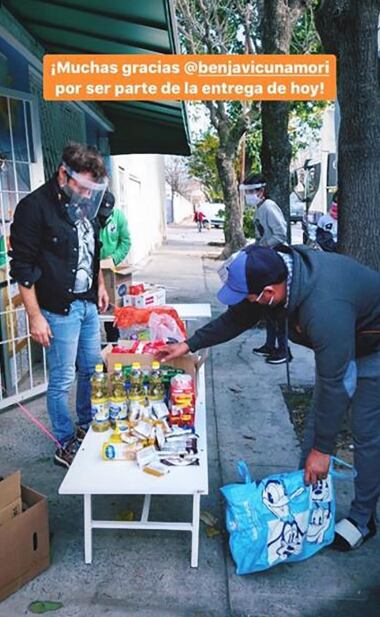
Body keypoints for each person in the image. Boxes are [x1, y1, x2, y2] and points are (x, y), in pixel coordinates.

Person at [156, 243, 380, 552]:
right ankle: (307, 503)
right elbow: (238, 318)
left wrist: (323, 450)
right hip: (344, 337)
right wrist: (189, 344)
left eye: (248, 295)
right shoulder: (278, 276)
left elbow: (335, 382)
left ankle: (363, 519)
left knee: (366, 432)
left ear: (269, 292)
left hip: (374, 343)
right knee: (319, 420)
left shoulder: (325, 306)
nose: (247, 301)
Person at [9, 142, 109, 468]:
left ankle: (86, 426)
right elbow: (22, 268)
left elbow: (93, 247)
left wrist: (101, 286)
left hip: (88, 304)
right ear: (62, 173)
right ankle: (64, 442)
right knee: (62, 378)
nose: (85, 193)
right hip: (57, 309)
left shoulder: (86, 203)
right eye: (81, 185)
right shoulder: (34, 207)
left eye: (91, 188)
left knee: (92, 371)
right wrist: (35, 317)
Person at [242, 174, 291, 365]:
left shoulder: (269, 207)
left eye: (251, 192)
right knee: (268, 307)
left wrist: (262, 248)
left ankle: (283, 349)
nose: (248, 196)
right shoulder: (260, 208)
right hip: (267, 258)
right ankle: (270, 344)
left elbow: (280, 233)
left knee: (278, 308)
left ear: (261, 191)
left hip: (276, 259)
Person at [98, 190, 131, 342]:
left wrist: (114, 258)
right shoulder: (89, 216)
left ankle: (112, 343)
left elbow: (125, 242)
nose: (104, 215)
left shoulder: (118, 217)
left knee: (111, 311)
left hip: (109, 271)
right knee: (93, 311)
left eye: (107, 212)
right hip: (91, 270)